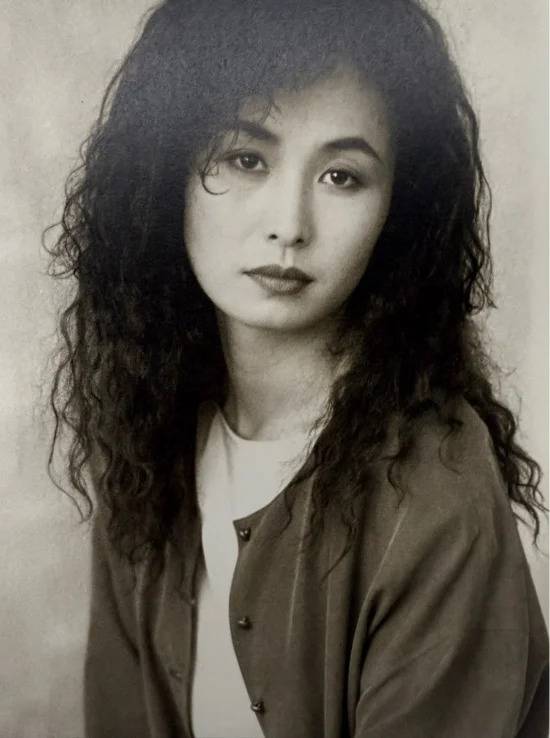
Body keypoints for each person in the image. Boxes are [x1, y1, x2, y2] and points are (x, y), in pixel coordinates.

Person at [46, 0, 549, 736]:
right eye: (247, 159)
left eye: (342, 176)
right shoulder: (147, 433)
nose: (290, 224)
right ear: (165, 171)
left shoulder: (436, 490)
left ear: (397, 211)